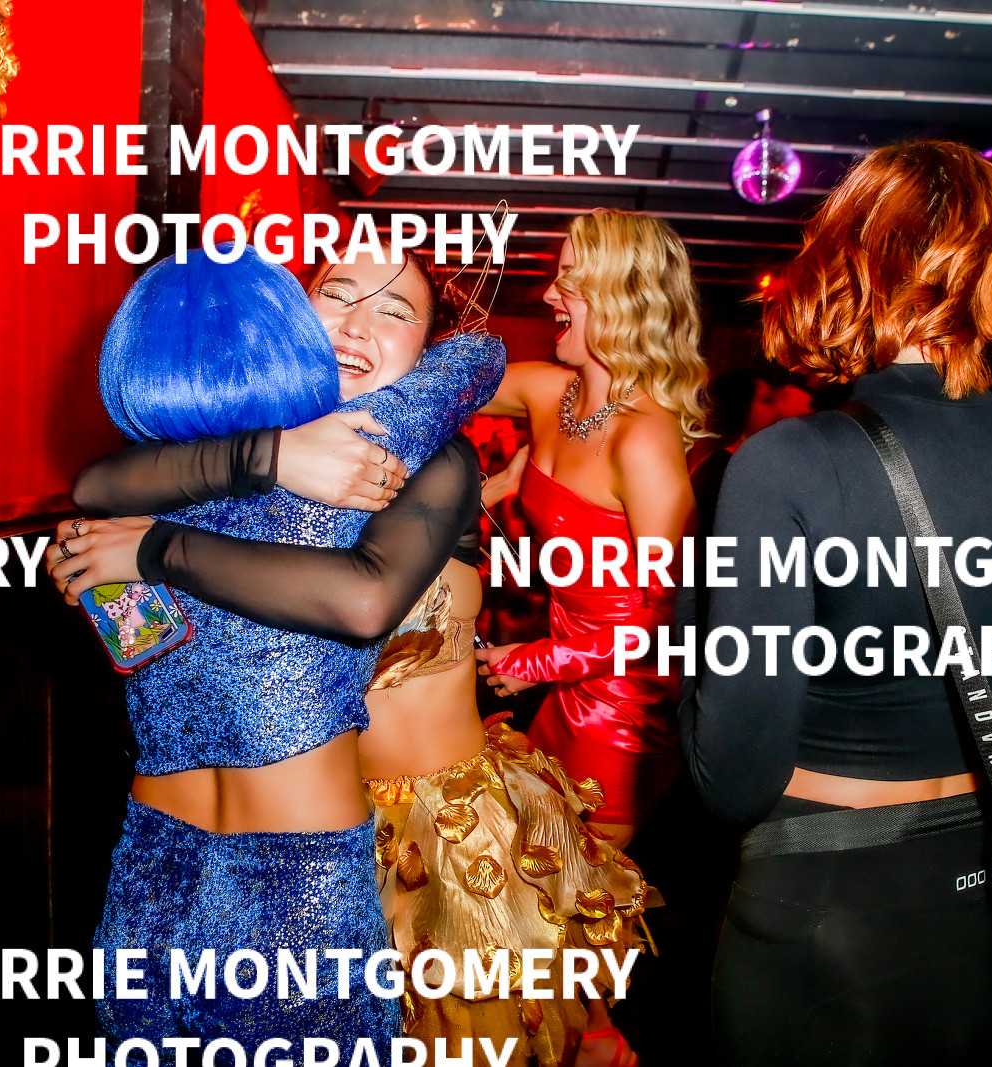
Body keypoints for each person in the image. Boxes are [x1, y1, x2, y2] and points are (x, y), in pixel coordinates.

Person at [57, 247, 651, 1065]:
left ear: (425, 349)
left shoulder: (432, 457)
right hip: (242, 830)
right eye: (337, 294)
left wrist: (156, 547)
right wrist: (267, 458)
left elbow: (364, 598)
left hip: (427, 833)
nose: (359, 323)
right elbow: (97, 484)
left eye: (396, 311)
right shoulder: (243, 442)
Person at [680, 141, 992, 1065]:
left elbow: (733, 778)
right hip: (988, 911)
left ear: (842, 260)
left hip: (822, 914)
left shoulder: (789, 462)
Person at [474, 210, 708, 850]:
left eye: (570, 278)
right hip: (562, 686)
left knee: (579, 890)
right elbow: (431, 386)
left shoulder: (644, 438)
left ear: (624, 298)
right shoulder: (548, 392)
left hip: (624, 704)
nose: (549, 293)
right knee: (530, 875)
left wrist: (544, 660)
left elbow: (675, 617)